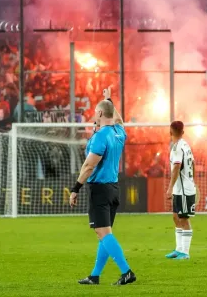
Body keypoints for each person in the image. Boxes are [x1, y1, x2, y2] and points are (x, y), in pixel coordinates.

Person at [69, 87, 136, 286]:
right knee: (104, 233)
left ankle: (127, 272)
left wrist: (75, 188)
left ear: (99, 113)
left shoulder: (101, 137)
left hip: (100, 189)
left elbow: (89, 165)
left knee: (103, 233)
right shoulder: (119, 132)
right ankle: (95, 276)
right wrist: (109, 101)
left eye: (95, 112)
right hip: (114, 188)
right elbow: (120, 120)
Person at [165, 121, 196, 260]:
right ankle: (178, 249)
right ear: (183, 132)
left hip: (183, 190)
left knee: (184, 219)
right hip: (180, 189)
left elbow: (177, 167)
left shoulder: (178, 148)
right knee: (176, 217)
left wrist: (170, 187)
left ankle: (185, 252)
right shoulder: (185, 145)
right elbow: (193, 164)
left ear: (170, 132)